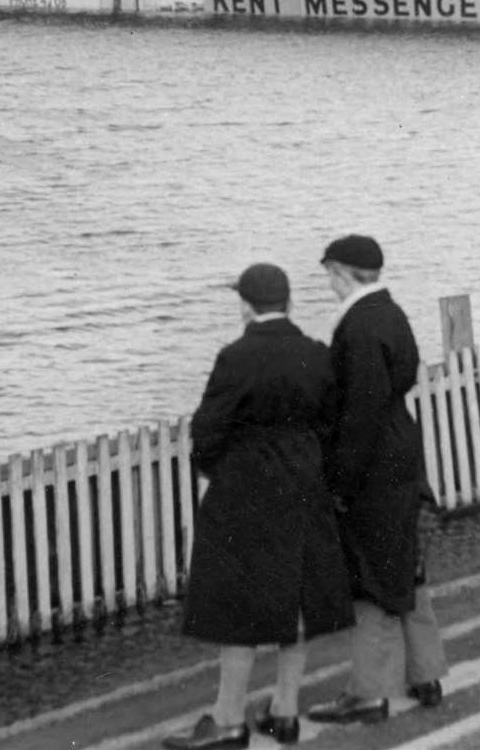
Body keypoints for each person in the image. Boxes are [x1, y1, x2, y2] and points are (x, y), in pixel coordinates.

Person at [163, 263, 354, 750]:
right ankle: (284, 711)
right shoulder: (316, 354)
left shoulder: (236, 357)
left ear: (246, 305)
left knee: (237, 607)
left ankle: (229, 719)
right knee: (296, 601)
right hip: (304, 487)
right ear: (288, 304)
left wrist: (220, 471)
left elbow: (206, 432)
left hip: (246, 491)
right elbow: (332, 424)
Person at [306, 235, 448, 725]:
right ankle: (425, 674)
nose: (328, 283)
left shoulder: (357, 326)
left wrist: (339, 484)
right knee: (408, 567)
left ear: (342, 273)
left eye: (328, 274)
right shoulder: (391, 313)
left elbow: (359, 414)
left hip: (372, 467)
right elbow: (402, 378)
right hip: (401, 451)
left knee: (367, 580)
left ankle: (368, 691)